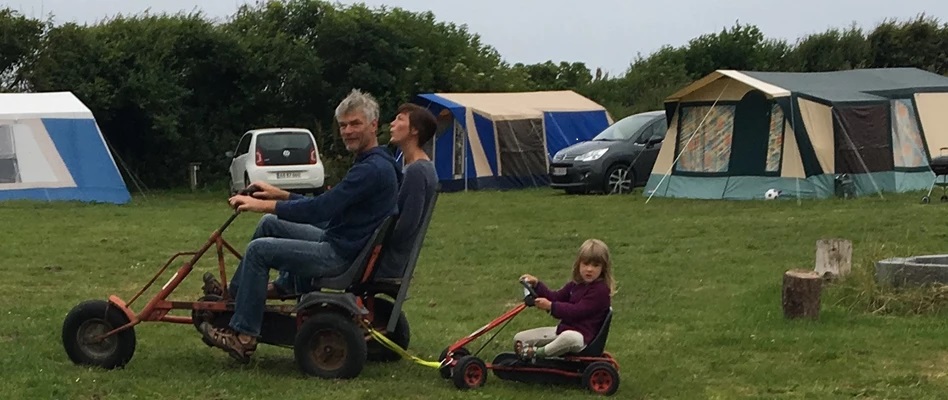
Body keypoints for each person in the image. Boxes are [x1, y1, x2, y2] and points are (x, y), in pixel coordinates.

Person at [199, 89, 400, 363]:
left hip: (340, 255)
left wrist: (264, 204)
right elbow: (329, 205)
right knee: (270, 224)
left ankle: (243, 336)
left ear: (374, 125)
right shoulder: (378, 162)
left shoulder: (370, 170)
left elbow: (322, 209)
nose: (348, 131)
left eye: (355, 124)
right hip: (345, 243)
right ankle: (235, 298)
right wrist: (279, 194)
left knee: (259, 250)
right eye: (343, 125)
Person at [514, 238, 615, 361]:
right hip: (564, 330)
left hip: (583, 338)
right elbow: (555, 297)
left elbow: (577, 311)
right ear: (579, 264)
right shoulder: (576, 285)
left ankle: (537, 353)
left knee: (569, 338)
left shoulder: (600, 291)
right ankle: (533, 356)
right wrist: (537, 285)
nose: (589, 269)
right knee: (520, 339)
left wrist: (551, 306)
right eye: (586, 264)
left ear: (603, 268)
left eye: (595, 265)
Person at [372, 103, 438, 280]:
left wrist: (374, 241)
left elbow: (406, 225)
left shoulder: (417, 171)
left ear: (414, 130)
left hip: (385, 263)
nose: (392, 124)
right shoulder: (415, 167)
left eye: (399, 119)